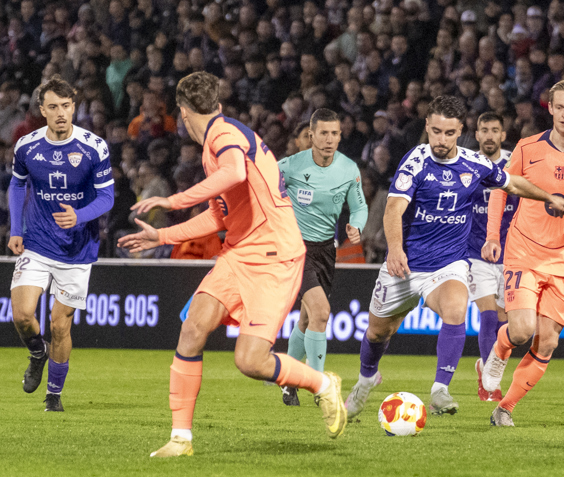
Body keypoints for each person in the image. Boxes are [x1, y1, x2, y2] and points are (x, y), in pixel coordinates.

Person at [117, 72, 346, 457]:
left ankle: (322, 384)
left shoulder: (224, 137)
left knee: (250, 360)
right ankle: (181, 439)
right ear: (217, 105)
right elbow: (218, 218)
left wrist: (172, 201)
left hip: (275, 255)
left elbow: (235, 172)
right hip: (240, 253)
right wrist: (163, 236)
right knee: (193, 329)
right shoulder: (217, 145)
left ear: (185, 114)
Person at [343, 95, 564, 419]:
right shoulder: (416, 161)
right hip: (405, 264)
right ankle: (366, 378)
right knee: (379, 332)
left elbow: (513, 184)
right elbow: (394, 209)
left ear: (460, 130)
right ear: (427, 128)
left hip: (448, 264)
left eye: (449, 133)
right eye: (435, 132)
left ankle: (440, 390)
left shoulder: (473, 164)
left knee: (456, 307)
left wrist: (548, 196)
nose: (441, 140)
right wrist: (394, 249)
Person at [481, 79, 564, 427]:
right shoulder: (526, 148)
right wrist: (493, 235)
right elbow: (500, 190)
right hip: (524, 249)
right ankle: (499, 352)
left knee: (548, 340)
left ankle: (504, 408)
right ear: (550, 108)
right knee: (521, 330)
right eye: (560, 107)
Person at [9, 75, 115, 412]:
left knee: (59, 324)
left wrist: (80, 216)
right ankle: (37, 353)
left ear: (74, 107)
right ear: (42, 109)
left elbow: (108, 197)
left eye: (66, 106)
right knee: (23, 314)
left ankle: (53, 396)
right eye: (53, 107)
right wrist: (16, 230)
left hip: (77, 249)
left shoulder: (93, 147)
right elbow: (16, 187)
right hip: (38, 243)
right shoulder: (27, 146)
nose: (60, 113)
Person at [276, 108, 368, 406]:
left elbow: (359, 207)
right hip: (294, 250)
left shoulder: (348, 169)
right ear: (310, 135)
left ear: (340, 136)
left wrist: (356, 225)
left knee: (307, 318)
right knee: (321, 312)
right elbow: (259, 184)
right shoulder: (289, 166)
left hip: (326, 250)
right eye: (323, 133)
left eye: (335, 134)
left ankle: (288, 381)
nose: (329, 140)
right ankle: (318, 386)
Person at [469, 112, 519, 402]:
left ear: (502, 134)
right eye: (484, 130)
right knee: (487, 315)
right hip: (476, 251)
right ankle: (492, 385)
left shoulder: (515, 163)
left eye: (494, 130)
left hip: (512, 253)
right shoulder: (467, 163)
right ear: (476, 134)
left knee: (504, 321)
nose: (489, 135)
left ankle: (485, 368)